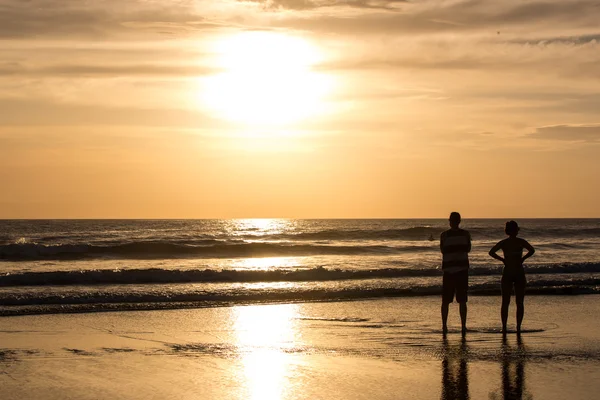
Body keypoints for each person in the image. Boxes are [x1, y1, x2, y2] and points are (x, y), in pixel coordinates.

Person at [489, 220, 535, 334]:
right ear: (516, 230)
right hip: (518, 270)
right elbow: (532, 250)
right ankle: (518, 327)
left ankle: (504, 327)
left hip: (508, 271)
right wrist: (523, 258)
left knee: (506, 301)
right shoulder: (521, 242)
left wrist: (503, 260)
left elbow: (491, 252)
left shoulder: (504, 243)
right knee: (519, 302)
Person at [440, 212, 472, 335]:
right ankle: (463, 326)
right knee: (462, 300)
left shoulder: (444, 235)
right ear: (459, 221)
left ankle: (444, 325)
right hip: (462, 270)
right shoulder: (465, 234)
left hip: (448, 270)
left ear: (449, 221)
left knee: (445, 300)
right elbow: (468, 249)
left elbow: (443, 250)